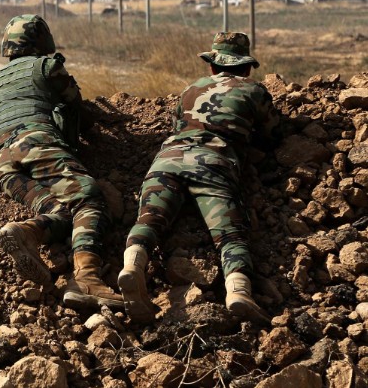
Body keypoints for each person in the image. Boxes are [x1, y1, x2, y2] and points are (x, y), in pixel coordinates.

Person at [117, 32, 280, 325]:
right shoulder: (254, 90)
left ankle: (132, 265)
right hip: (214, 163)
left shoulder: (190, 89)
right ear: (246, 68)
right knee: (230, 234)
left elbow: (178, 124)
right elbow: (271, 135)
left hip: (167, 160)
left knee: (149, 219)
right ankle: (238, 292)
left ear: (212, 67)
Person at [0, 15, 122, 310]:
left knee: (59, 211)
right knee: (88, 199)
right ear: (42, 41)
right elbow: (79, 110)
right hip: (35, 142)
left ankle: (25, 232)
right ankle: (87, 279)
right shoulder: (47, 67)